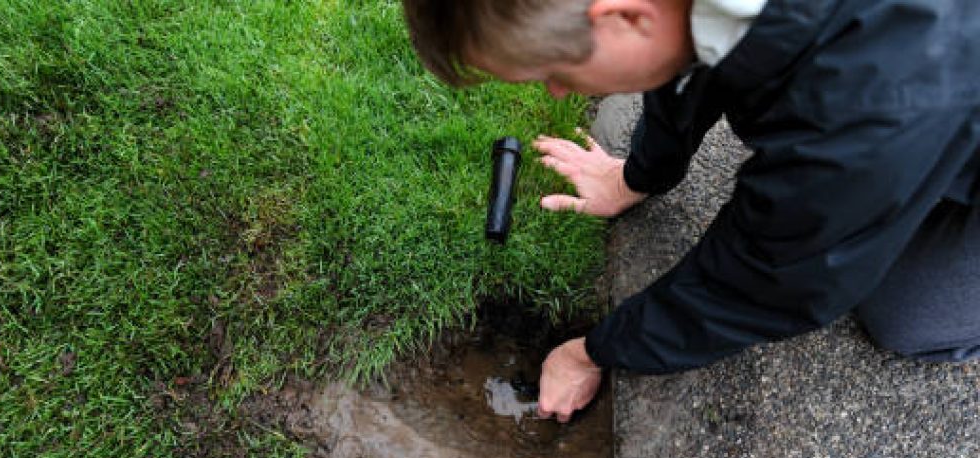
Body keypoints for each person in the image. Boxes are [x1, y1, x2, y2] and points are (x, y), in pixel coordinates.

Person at [401, 0, 980, 422]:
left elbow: (769, 281)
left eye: (556, 72)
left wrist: (591, 352)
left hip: (932, 93)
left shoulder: (861, 110)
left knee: (906, 316)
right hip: (918, 104)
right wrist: (639, 174)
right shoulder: (693, 12)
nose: (555, 91)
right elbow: (683, 57)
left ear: (625, 17)